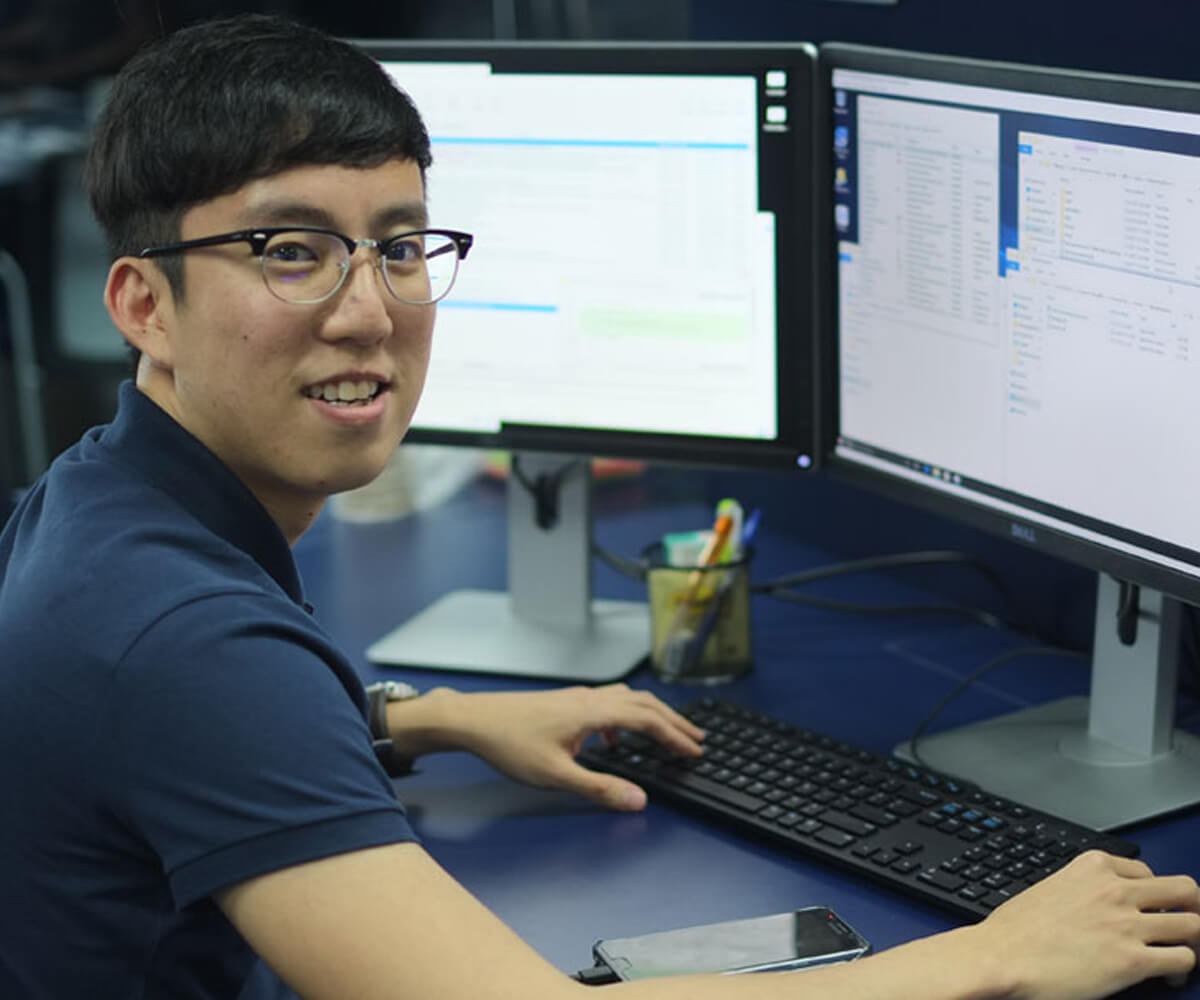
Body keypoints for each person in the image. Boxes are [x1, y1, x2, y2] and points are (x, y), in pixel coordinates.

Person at [0, 13, 1196, 1000]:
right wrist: (991, 956)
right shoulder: (189, 640)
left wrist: (430, 717)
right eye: (290, 251)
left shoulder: (94, 507)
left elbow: (156, 731)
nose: (370, 311)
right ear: (143, 303)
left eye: (401, 246)